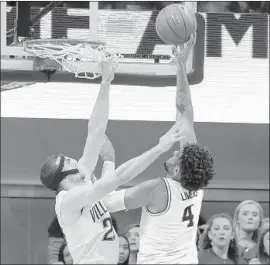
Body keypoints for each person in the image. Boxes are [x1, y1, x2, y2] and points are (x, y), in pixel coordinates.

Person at [40, 58, 184, 264]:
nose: (74, 159)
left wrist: (106, 82)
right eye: (68, 161)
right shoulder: (67, 201)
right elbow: (120, 176)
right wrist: (160, 147)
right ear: (63, 177)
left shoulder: (81, 177)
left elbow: (96, 130)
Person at [103, 34, 215, 264]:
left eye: (177, 155)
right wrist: (181, 67)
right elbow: (184, 111)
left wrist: (108, 163)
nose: (175, 151)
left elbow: (106, 203)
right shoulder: (196, 182)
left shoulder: (157, 189)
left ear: (176, 172)